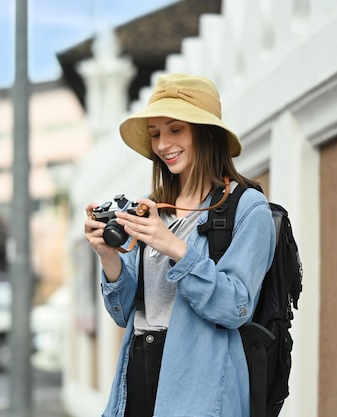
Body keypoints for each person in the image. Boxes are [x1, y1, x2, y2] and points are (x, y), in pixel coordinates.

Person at [84, 73, 276, 417]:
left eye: (175, 129)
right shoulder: (150, 207)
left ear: (206, 133)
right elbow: (123, 312)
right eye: (156, 134)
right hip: (137, 369)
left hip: (200, 381)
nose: (162, 145)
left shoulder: (248, 209)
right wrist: (107, 255)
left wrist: (173, 246)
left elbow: (235, 307)